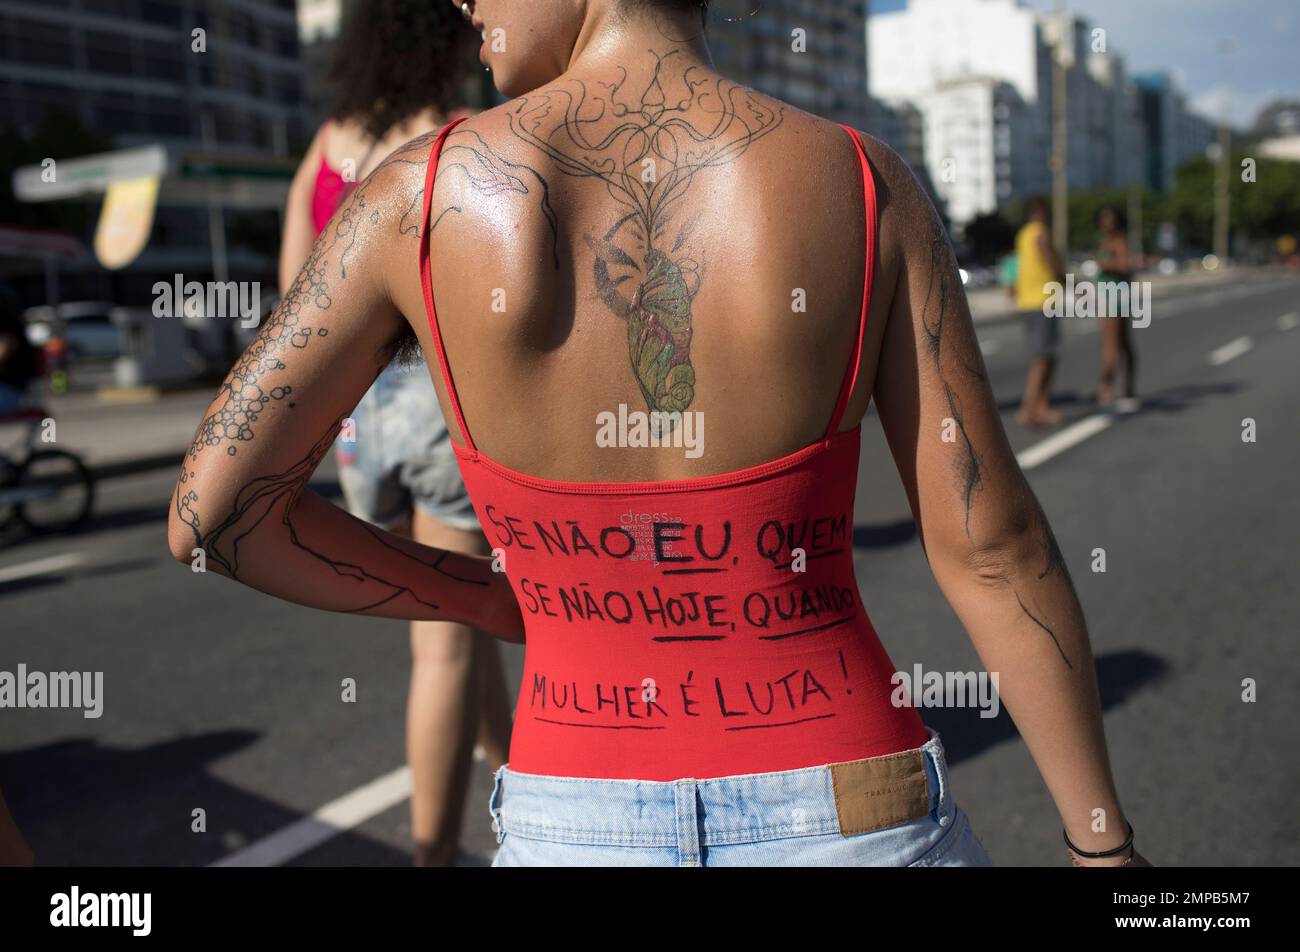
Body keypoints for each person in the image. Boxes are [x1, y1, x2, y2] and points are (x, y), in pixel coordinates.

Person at [171, 0, 1147, 867]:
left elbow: (212, 514)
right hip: (851, 805)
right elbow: (993, 547)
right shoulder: (858, 182)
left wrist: (494, 597)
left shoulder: (413, 200)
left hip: (572, 819)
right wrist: (1099, 840)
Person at [278, 0, 512, 867]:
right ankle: (434, 859)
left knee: (448, 606)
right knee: (445, 644)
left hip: (355, 416)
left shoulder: (333, 142)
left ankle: (521, 773)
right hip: (437, 401)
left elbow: (297, 296)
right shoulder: (464, 135)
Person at [1014, 196, 1065, 427]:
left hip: (1029, 301)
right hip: (1043, 300)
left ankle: (1040, 406)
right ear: (1041, 212)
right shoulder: (1039, 232)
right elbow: (1049, 259)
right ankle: (1031, 408)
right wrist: (1064, 279)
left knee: (1046, 355)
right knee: (1043, 357)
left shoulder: (1022, 234)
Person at [1095, 205, 1139, 412]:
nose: (1106, 224)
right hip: (1110, 296)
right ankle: (1127, 387)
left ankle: (1106, 390)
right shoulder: (1106, 241)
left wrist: (1105, 264)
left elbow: (1125, 266)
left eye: (1109, 219)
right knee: (1123, 344)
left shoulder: (1119, 241)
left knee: (1111, 347)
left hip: (1115, 298)